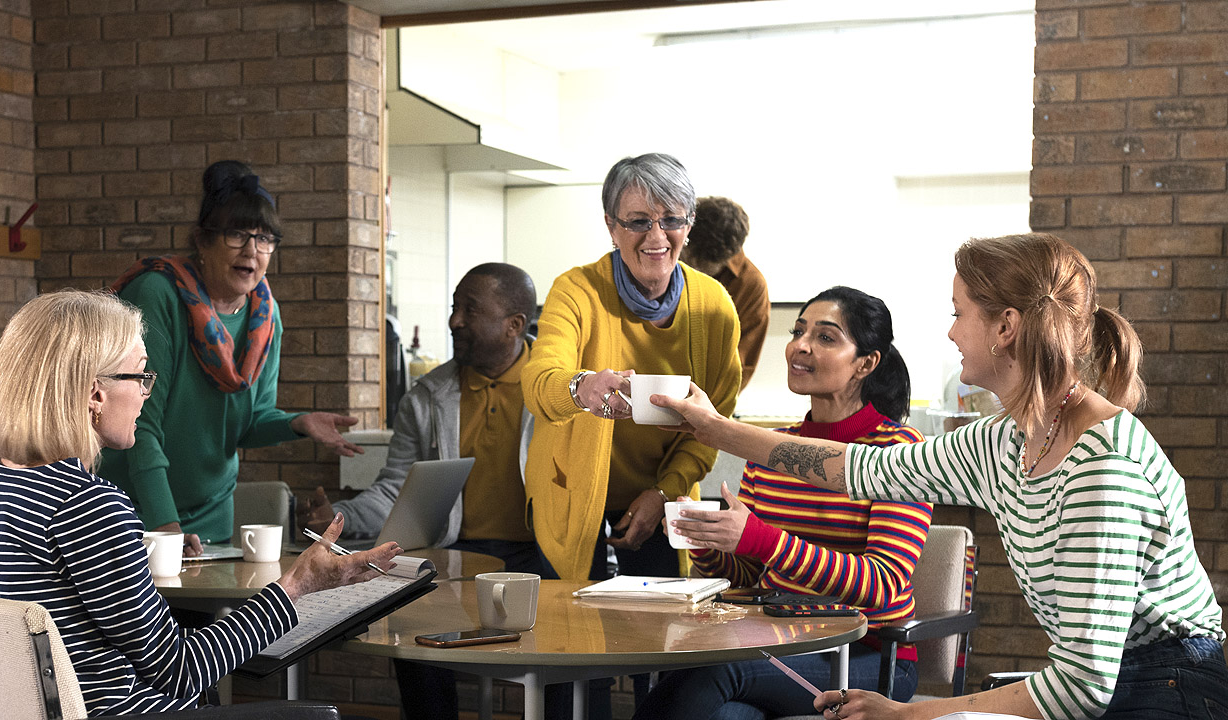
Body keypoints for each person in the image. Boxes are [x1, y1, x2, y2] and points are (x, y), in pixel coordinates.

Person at [653, 233, 1228, 720]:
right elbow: (859, 470)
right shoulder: (1004, 440)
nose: (951, 333)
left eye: (958, 314)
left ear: (1005, 327)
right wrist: (718, 429)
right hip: (1121, 685)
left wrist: (906, 713)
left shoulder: (1101, 466)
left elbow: (1081, 687)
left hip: (1175, 686)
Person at [0, 289, 399, 716]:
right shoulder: (89, 505)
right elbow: (180, 671)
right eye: (140, 375)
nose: (147, 393)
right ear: (95, 393)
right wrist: (298, 585)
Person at [633, 286, 932, 720]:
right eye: (798, 331)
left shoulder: (898, 450)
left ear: (866, 363)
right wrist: (706, 541)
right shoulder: (773, 448)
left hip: (866, 657)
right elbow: (749, 576)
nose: (800, 346)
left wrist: (760, 539)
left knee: (713, 671)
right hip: (774, 645)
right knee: (721, 711)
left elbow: (881, 583)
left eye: (826, 337)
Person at [298, 262, 543, 720]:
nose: (455, 321)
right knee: (408, 624)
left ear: (515, 324)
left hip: (539, 556)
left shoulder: (555, 391)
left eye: (470, 310)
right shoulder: (427, 396)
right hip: (455, 556)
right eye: (454, 308)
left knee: (573, 651)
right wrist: (340, 517)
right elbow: (396, 488)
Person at [98, 160, 362, 557]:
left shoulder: (265, 315)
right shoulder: (158, 294)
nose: (252, 251)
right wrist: (165, 526)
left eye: (266, 238)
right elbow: (143, 429)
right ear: (203, 242)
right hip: (138, 512)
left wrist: (297, 423)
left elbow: (248, 423)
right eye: (237, 235)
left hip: (212, 519)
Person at [522, 152, 742, 584]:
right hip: (572, 492)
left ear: (690, 224)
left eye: (671, 220)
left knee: (661, 634)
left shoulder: (714, 306)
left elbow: (715, 421)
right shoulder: (577, 290)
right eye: (638, 221)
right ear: (611, 227)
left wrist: (662, 493)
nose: (656, 236)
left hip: (665, 495)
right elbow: (537, 380)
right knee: (572, 631)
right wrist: (580, 387)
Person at [682, 196, 769, 389]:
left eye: (703, 264)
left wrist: (713, 409)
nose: (691, 265)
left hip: (709, 398)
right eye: (688, 256)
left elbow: (741, 363)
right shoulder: (664, 257)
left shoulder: (750, 285)